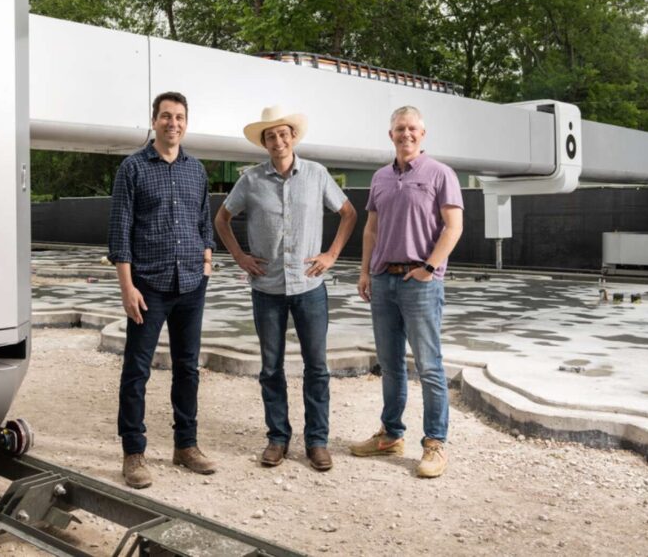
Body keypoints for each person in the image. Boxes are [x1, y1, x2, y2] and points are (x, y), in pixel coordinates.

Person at [214, 106, 357, 471]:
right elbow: (222, 218)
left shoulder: (316, 174)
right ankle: (277, 438)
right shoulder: (250, 180)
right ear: (264, 143)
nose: (278, 141)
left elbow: (349, 213)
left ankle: (317, 441)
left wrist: (331, 254)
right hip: (267, 288)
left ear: (293, 137)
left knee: (317, 367)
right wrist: (240, 257)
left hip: (310, 285)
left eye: (283, 134)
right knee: (271, 368)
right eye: (270, 136)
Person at [108, 91, 217, 489]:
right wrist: (127, 287)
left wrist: (205, 261)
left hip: (191, 283)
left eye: (180, 117)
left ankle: (185, 445)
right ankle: (133, 452)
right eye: (166, 116)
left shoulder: (197, 170)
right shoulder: (132, 169)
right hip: (149, 286)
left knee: (187, 368)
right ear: (154, 121)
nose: (174, 123)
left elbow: (204, 220)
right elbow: (120, 232)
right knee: (137, 370)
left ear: (186, 123)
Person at [350, 105, 463, 479]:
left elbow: (453, 227)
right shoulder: (381, 177)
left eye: (413, 128)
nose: (406, 134)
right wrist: (365, 271)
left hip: (420, 283)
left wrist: (429, 268)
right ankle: (390, 435)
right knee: (391, 366)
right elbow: (370, 229)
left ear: (423, 134)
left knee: (429, 367)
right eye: (400, 128)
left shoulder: (440, 174)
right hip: (383, 281)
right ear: (391, 134)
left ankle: (434, 443)